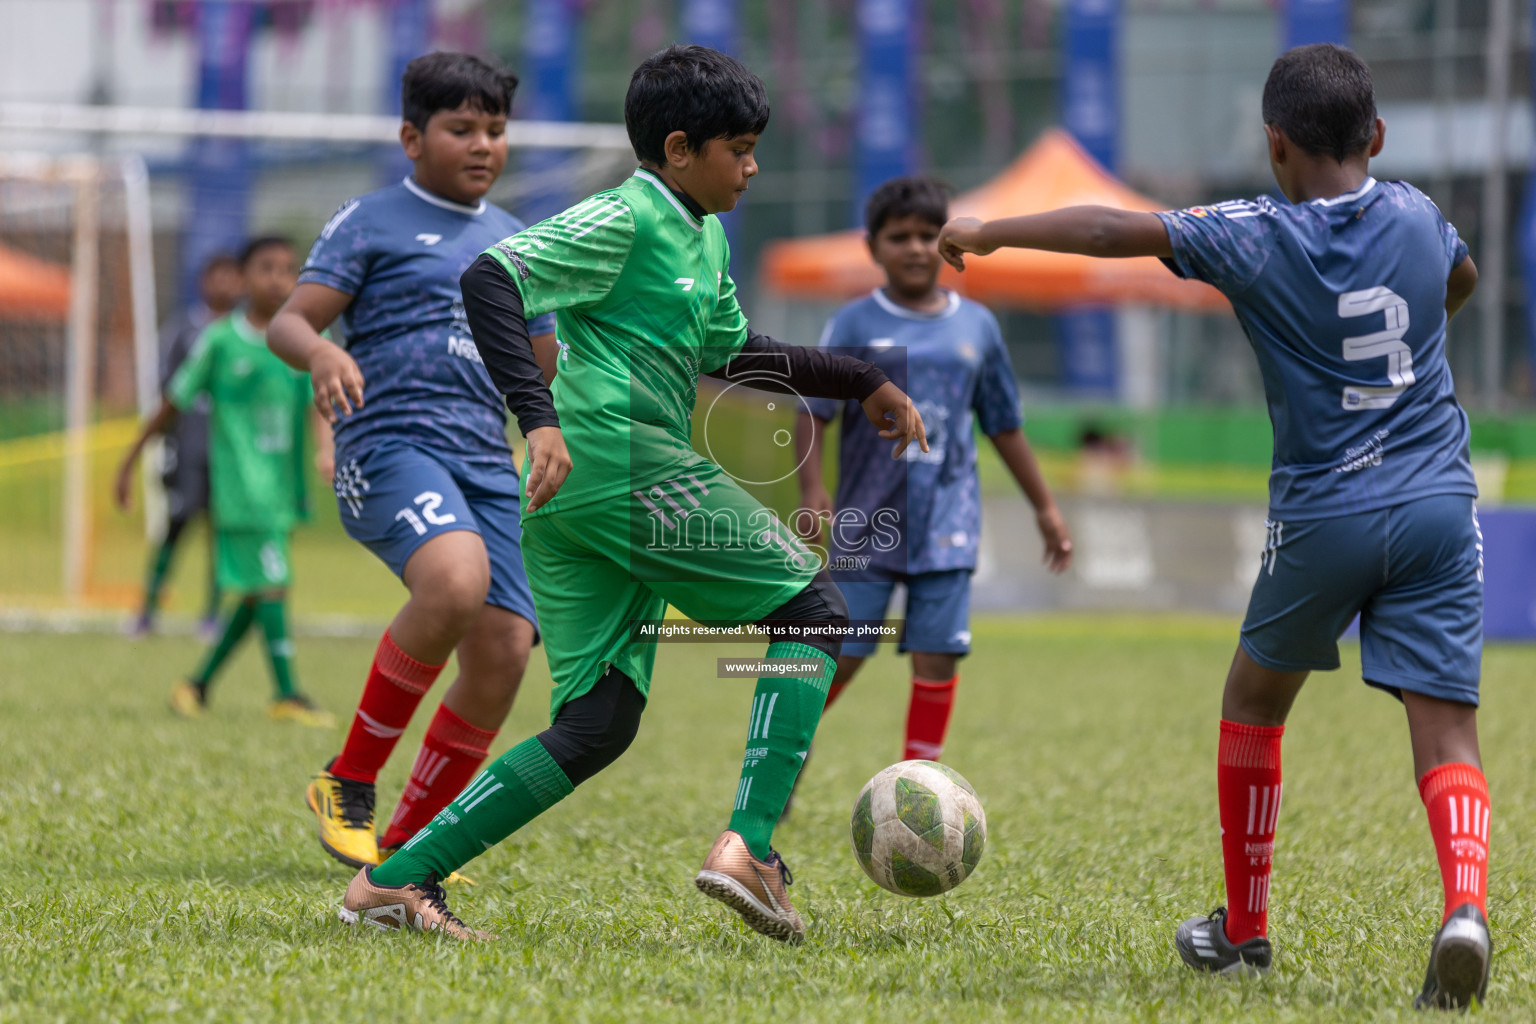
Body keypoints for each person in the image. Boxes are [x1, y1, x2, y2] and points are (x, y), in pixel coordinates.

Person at [335, 44, 927, 944]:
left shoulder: (704, 234)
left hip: (577, 499)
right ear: (680, 149)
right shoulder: (627, 214)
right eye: (740, 148)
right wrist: (537, 417)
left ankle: (396, 878)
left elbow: (729, 355)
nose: (754, 166)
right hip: (617, 462)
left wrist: (860, 379)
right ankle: (752, 850)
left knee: (598, 723)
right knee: (814, 610)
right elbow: (492, 276)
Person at [939, 43, 1488, 1009]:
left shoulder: (1257, 235)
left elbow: (1116, 230)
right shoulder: (1419, 212)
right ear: (1379, 136)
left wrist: (990, 229)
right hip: (1441, 501)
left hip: (1328, 510)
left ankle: (1243, 927)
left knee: (1253, 699)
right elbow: (1463, 279)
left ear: (1275, 144)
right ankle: (1466, 910)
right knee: (1446, 728)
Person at [267, 52, 559, 875]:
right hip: (390, 443)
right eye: (461, 128)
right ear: (410, 137)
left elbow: (543, 364)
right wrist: (322, 353)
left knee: (504, 648)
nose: (483, 145)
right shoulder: (371, 221)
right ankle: (348, 780)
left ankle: (406, 850)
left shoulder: (517, 243)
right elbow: (288, 324)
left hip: (484, 462)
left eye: (496, 130)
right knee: (455, 583)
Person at [795, 175, 1072, 770]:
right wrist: (812, 488)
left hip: (948, 523)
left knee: (937, 657)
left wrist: (1045, 508)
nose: (916, 248)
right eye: (900, 237)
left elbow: (1003, 423)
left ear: (951, 245)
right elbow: (814, 411)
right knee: (840, 650)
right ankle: (786, 754)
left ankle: (920, 788)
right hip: (867, 522)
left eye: (928, 235)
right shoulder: (853, 324)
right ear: (873, 247)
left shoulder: (977, 327)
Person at [115, 236, 333, 727]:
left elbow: (318, 400)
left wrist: (326, 449)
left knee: (258, 592)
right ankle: (287, 694)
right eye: (265, 268)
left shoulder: (301, 340)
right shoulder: (219, 340)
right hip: (238, 488)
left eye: (287, 269)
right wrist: (129, 462)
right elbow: (170, 405)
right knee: (273, 585)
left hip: (282, 488)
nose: (278, 278)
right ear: (242, 278)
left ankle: (196, 685)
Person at [130, 252, 243, 638]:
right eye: (218, 277)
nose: (225, 285)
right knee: (176, 529)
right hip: (189, 450)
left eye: (232, 277)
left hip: (231, 455)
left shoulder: (245, 333)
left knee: (222, 534)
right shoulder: (184, 329)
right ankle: (146, 611)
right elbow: (168, 392)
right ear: (202, 282)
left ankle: (210, 615)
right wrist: (163, 442)